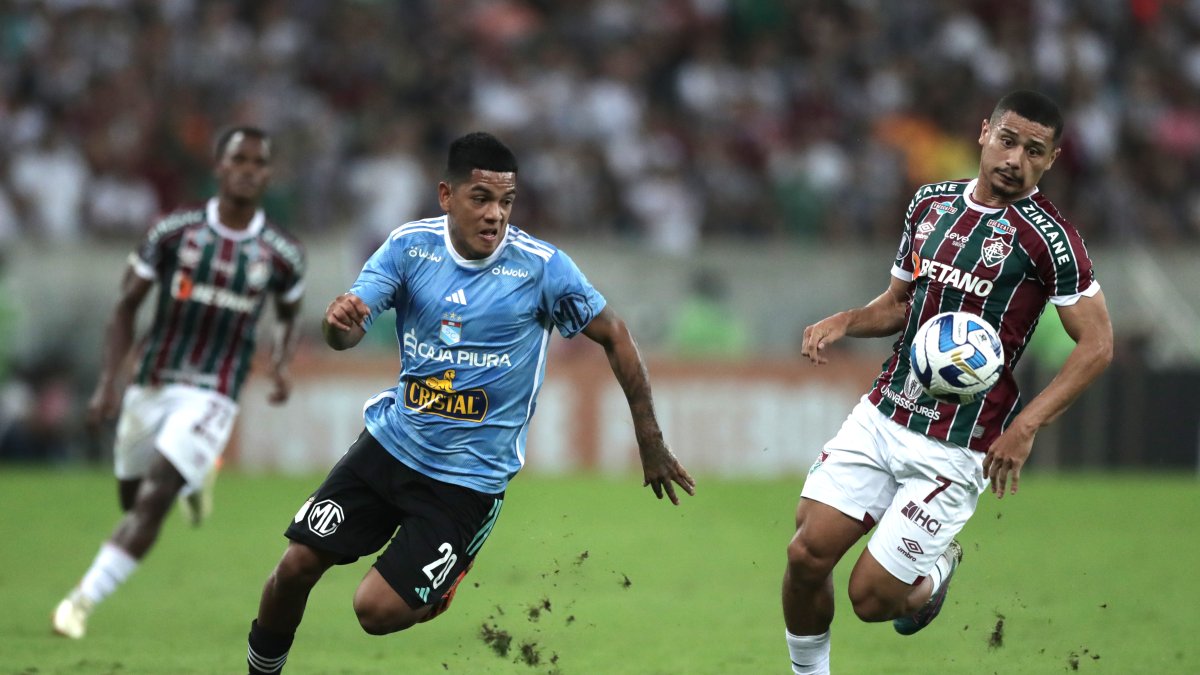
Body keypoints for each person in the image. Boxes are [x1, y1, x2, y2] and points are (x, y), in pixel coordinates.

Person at [245, 131, 695, 675]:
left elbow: (616, 335)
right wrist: (338, 322)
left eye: (506, 202)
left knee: (375, 611)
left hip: (466, 482)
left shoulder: (541, 267)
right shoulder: (408, 247)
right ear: (446, 195)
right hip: (390, 445)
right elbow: (348, 329)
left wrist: (651, 441)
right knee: (294, 566)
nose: (495, 216)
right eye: (480, 198)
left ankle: (445, 578)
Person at [781, 90, 1113, 674]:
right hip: (887, 411)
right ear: (984, 133)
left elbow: (1098, 344)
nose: (1015, 159)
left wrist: (1026, 426)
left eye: (1034, 151)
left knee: (870, 600)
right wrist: (846, 321)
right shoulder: (930, 203)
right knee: (806, 555)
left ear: (1051, 160)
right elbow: (898, 305)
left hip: (957, 447)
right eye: (1008, 141)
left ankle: (935, 574)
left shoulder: (1051, 240)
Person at [52, 126, 306, 639]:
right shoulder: (174, 230)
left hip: (215, 387)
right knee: (131, 496)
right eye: (239, 160)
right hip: (154, 380)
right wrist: (108, 383)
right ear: (219, 166)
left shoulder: (281, 252)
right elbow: (126, 305)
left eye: (259, 163)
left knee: (156, 497)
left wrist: (279, 363)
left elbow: (288, 310)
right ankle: (198, 476)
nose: (248, 170)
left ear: (268, 174)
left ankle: (79, 602)